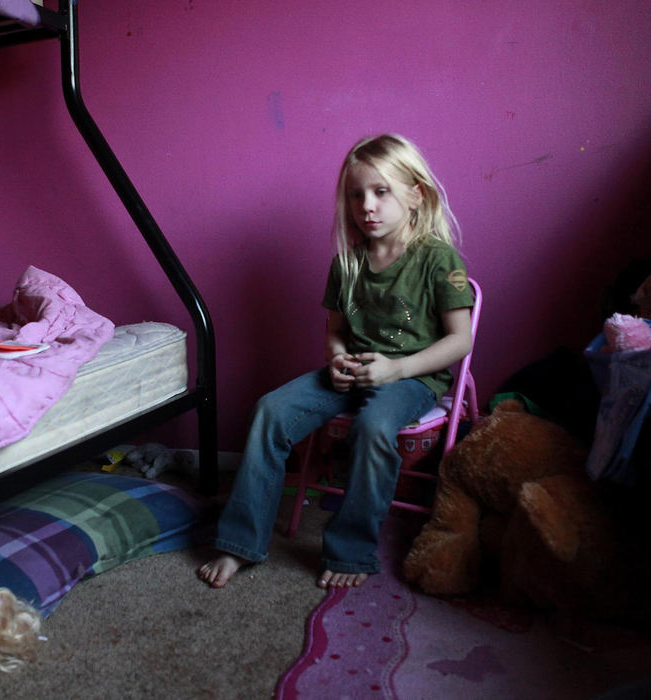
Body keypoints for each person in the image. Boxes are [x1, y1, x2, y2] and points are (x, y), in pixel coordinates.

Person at [198, 134, 474, 590]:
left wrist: (396, 369)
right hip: (353, 373)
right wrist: (337, 359)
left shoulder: (437, 259)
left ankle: (350, 551)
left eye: (381, 191)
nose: (367, 205)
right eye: (356, 193)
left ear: (414, 194)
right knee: (271, 409)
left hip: (412, 376)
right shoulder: (347, 264)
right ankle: (239, 543)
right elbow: (335, 332)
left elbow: (459, 341)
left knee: (373, 427)